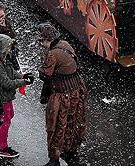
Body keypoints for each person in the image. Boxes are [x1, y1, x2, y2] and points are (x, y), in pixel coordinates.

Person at [38, 23, 87, 166]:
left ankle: (54, 159)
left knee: (56, 126)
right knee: (73, 123)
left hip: (62, 95)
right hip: (76, 92)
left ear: (46, 40)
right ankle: (71, 151)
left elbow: (45, 73)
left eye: (41, 41)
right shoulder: (65, 44)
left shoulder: (52, 54)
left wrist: (43, 60)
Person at [0, 34, 34, 159]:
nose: (9, 50)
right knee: (5, 119)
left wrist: (22, 76)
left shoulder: (0, 59)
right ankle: (2, 147)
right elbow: (6, 83)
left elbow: (11, 72)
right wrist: (24, 81)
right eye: (7, 48)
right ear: (1, 48)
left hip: (4, 96)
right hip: (2, 96)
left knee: (9, 115)